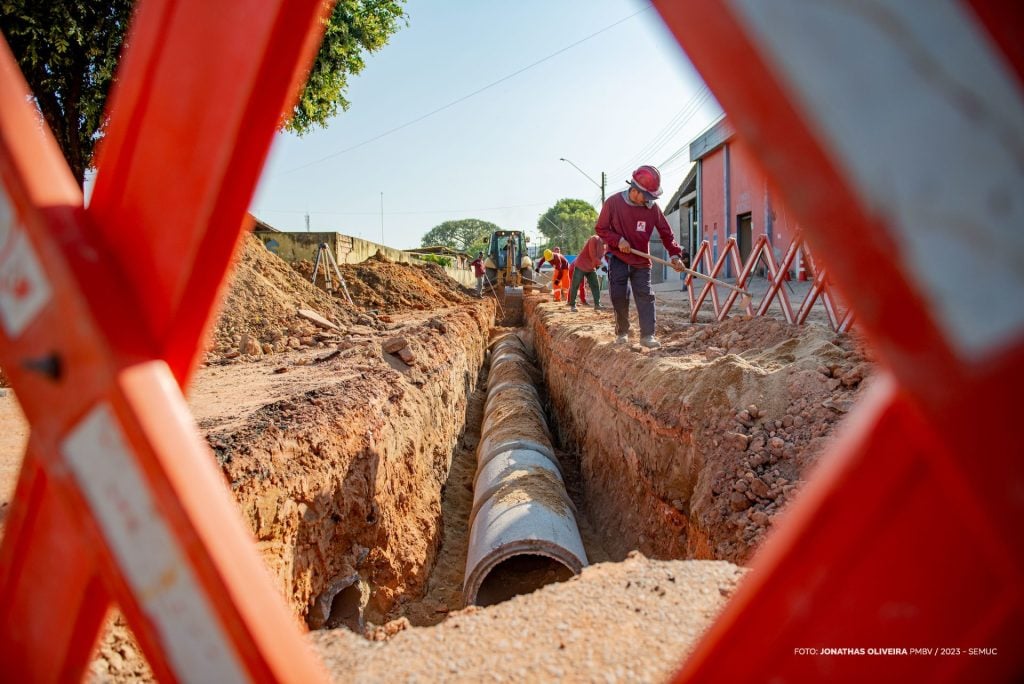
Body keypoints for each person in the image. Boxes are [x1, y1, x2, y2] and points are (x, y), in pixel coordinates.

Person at [595, 165, 685, 348]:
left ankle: (647, 335)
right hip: (618, 258)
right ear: (635, 191)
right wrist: (618, 240)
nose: (650, 200)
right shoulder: (613, 203)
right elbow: (601, 229)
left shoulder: (652, 209)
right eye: (648, 196)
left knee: (645, 295)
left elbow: (666, 233)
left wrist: (675, 255)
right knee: (619, 295)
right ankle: (622, 332)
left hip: (642, 260)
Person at [567, 234, 606, 312]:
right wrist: (602, 265)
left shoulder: (604, 246)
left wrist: (599, 266)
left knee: (595, 285)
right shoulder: (594, 239)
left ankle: (597, 305)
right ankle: (572, 305)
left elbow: (599, 257)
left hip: (591, 267)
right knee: (575, 285)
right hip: (581, 265)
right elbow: (593, 256)